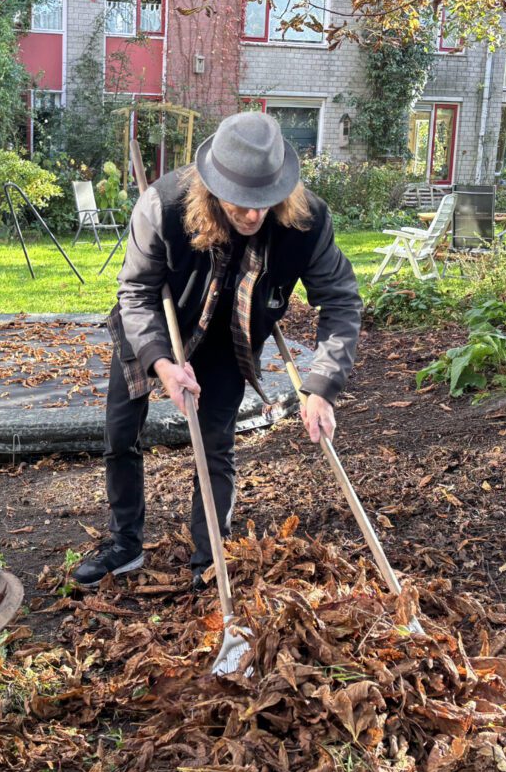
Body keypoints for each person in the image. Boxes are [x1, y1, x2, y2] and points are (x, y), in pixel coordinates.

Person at [74, 111, 364, 589]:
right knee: (121, 435)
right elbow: (136, 292)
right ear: (212, 186)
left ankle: (210, 558)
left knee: (215, 447)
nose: (253, 215)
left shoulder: (307, 221)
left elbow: (340, 299)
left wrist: (323, 386)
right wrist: (162, 363)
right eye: (241, 202)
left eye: (264, 202)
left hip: (232, 335)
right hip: (155, 330)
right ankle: (125, 542)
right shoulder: (163, 206)